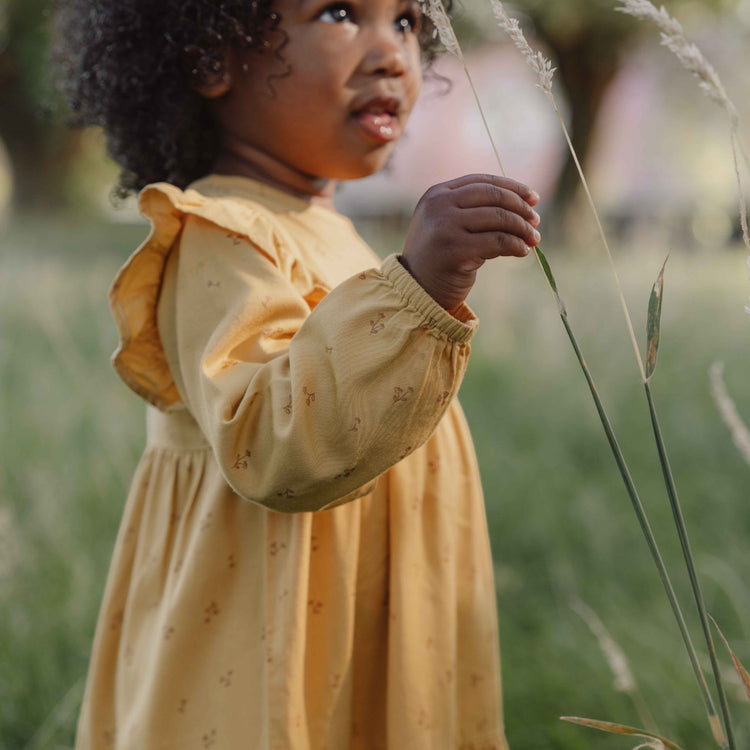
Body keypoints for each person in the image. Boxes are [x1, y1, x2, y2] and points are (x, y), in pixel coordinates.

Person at [55, 0, 541, 747]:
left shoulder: (334, 230)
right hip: (260, 626)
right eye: (342, 12)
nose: (392, 54)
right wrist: (416, 289)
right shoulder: (220, 232)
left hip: (366, 606)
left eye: (408, 21)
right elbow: (272, 445)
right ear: (212, 56)